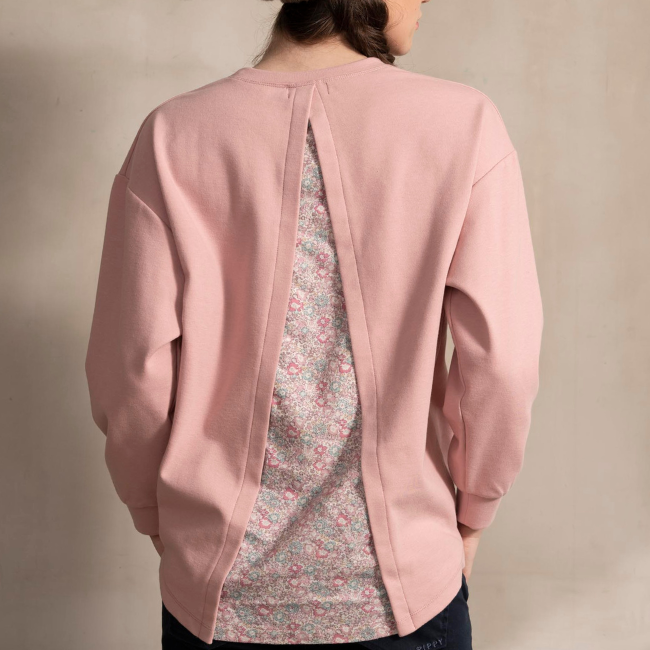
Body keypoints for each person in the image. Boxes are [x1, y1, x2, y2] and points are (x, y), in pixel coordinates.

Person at [84, 0, 544, 648]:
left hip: (218, 599)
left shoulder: (171, 136)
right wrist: (474, 513)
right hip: (404, 595)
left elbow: (129, 371)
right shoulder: (465, 126)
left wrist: (155, 514)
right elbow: (501, 362)